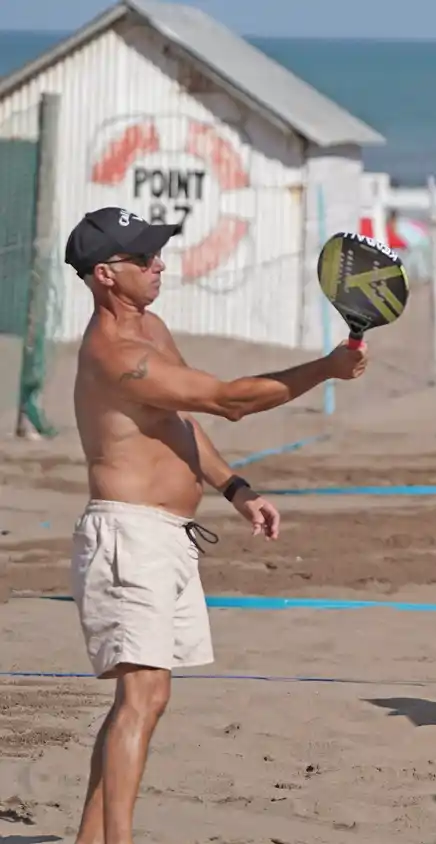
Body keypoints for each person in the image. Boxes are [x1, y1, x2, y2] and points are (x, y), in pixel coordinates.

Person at [62, 207, 368, 844]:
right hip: (128, 537)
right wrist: (325, 368)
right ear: (105, 274)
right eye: (144, 258)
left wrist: (234, 487)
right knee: (142, 697)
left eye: (158, 252)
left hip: (165, 538)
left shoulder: (151, 326)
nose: (159, 265)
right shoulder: (114, 352)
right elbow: (228, 401)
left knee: (145, 700)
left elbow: (180, 422)